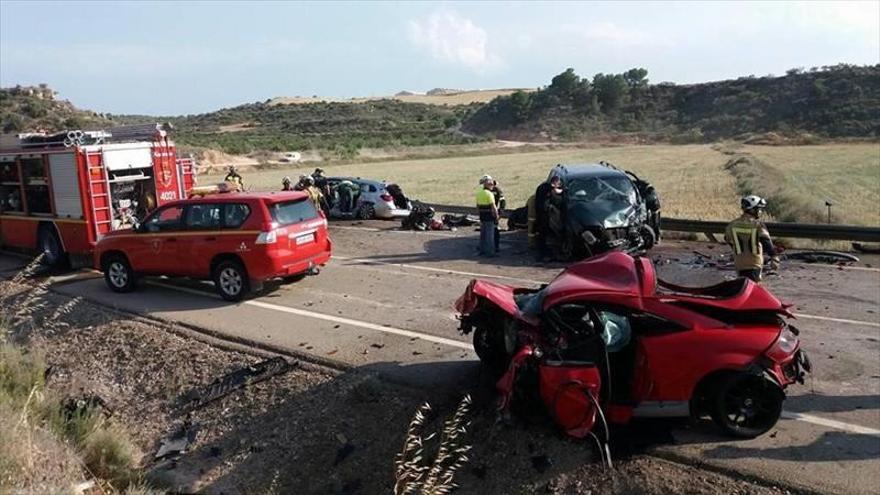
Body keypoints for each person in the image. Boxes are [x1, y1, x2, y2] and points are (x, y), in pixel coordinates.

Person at [725, 195, 779, 282]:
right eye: (759, 209)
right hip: (754, 263)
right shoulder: (758, 225)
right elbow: (766, 242)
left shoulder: (732, 225)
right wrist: (774, 257)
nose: (760, 211)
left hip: (739, 263)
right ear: (752, 209)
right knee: (753, 288)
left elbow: (728, 239)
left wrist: (737, 250)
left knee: (742, 285)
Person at [480, 175, 506, 253]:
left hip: (494, 212)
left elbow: (502, 201)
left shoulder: (497, 190)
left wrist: (500, 213)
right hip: (487, 213)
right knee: (487, 231)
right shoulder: (485, 190)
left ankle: (495, 247)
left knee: (494, 230)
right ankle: (488, 248)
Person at [476, 176, 499, 257]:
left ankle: (482, 251)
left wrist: (480, 216)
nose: (492, 186)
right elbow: (493, 207)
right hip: (489, 216)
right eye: (491, 185)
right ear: (488, 185)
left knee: (483, 235)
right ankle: (490, 252)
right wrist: (496, 216)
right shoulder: (489, 194)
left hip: (482, 216)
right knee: (490, 235)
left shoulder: (479, 193)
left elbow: (478, 206)